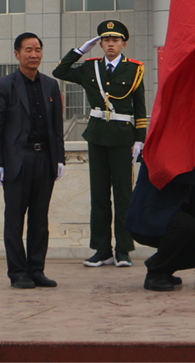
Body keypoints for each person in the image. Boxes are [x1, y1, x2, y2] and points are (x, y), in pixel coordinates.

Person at [52, 19, 146, 268]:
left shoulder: (134, 69)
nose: (110, 44)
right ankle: (102, 249)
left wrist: (140, 140)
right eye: (106, 40)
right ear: (100, 44)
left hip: (123, 137)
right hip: (97, 136)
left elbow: (140, 109)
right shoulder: (89, 67)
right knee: (99, 195)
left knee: (124, 194)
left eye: (115, 40)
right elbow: (59, 72)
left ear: (123, 43)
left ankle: (124, 249)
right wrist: (80, 51)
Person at [0, 32, 66, 288]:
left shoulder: (50, 85)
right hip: (16, 161)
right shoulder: (4, 85)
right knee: (14, 220)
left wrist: (59, 158)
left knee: (40, 219)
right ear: (17, 54)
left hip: (44, 159)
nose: (34, 55)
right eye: (28, 50)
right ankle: (18, 272)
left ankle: (36, 269)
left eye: (38, 50)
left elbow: (56, 127)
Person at [125, 159, 195, 291]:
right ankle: (155, 274)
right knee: (184, 223)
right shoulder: (159, 146)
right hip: (150, 219)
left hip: (178, 222)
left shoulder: (192, 152)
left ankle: (162, 266)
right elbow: (167, 172)